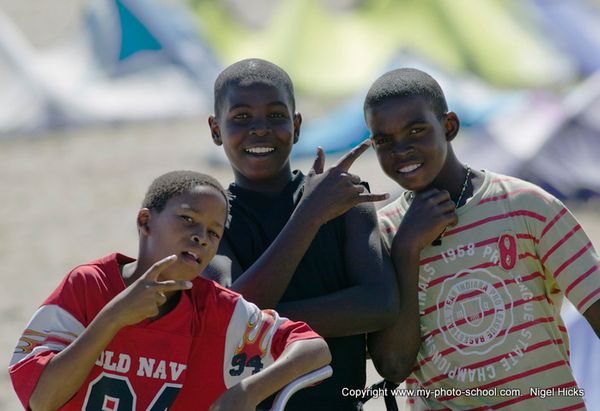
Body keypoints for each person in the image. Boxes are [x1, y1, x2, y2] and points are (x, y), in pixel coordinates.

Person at [365, 67, 600, 409]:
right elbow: (393, 366)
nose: (401, 150)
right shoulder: (382, 236)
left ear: (449, 126)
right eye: (384, 141)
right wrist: (406, 249)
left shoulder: (526, 206)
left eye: (416, 130)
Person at [9, 170, 331, 411]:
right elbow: (41, 400)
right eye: (187, 219)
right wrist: (113, 318)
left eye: (213, 232)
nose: (200, 236)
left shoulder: (216, 309)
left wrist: (248, 391)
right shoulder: (88, 285)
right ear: (146, 222)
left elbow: (313, 348)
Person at [205, 58, 399, 410]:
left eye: (276, 115)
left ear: (296, 127)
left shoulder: (345, 200)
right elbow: (231, 320)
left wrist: (264, 319)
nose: (260, 129)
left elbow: (380, 304)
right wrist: (308, 215)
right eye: (241, 117)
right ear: (216, 130)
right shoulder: (210, 219)